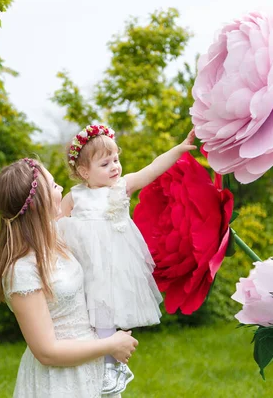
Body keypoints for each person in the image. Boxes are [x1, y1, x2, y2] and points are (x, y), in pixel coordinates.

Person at [58, 124, 196, 394]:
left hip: (113, 265)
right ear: (84, 172)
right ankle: (100, 361)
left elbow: (152, 169)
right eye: (105, 163)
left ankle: (112, 365)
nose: (114, 167)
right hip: (82, 264)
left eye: (116, 160)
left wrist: (178, 149)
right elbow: (52, 225)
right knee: (87, 318)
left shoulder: (121, 187)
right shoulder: (75, 196)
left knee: (105, 312)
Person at [0, 157, 138, 398]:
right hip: (60, 380)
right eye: (54, 185)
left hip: (90, 364)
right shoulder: (22, 271)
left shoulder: (55, 236)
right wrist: (110, 345)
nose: (61, 189)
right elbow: (47, 351)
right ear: (38, 203)